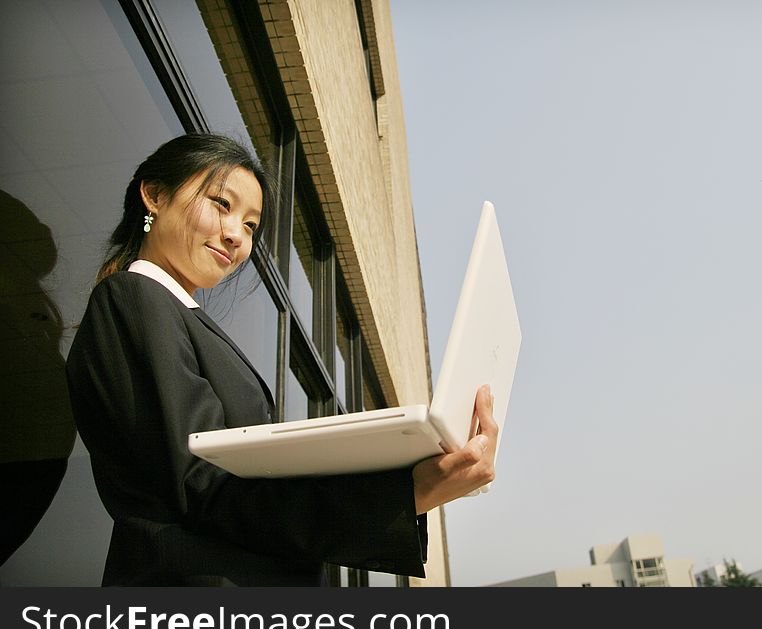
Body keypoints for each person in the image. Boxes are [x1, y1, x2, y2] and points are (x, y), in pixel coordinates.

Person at [65, 133, 497, 586]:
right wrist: (409, 492)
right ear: (154, 195)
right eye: (220, 204)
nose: (235, 234)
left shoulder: (174, 315)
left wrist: (411, 476)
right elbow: (208, 487)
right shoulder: (135, 297)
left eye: (251, 226)